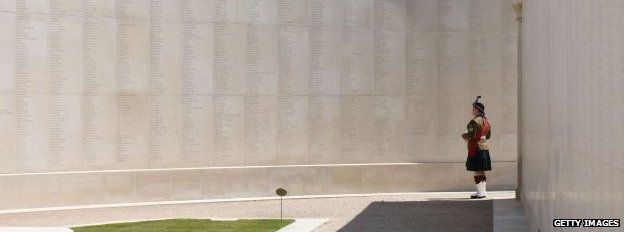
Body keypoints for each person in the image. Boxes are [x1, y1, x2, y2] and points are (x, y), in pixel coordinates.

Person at [461, 96, 492, 199]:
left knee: (476, 170)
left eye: (474, 109)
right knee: (482, 170)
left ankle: (479, 193)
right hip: (484, 147)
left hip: (476, 147)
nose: (472, 110)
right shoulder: (486, 121)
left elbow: (472, 135)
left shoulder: (474, 121)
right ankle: (483, 192)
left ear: (478, 110)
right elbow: (488, 136)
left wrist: (464, 135)